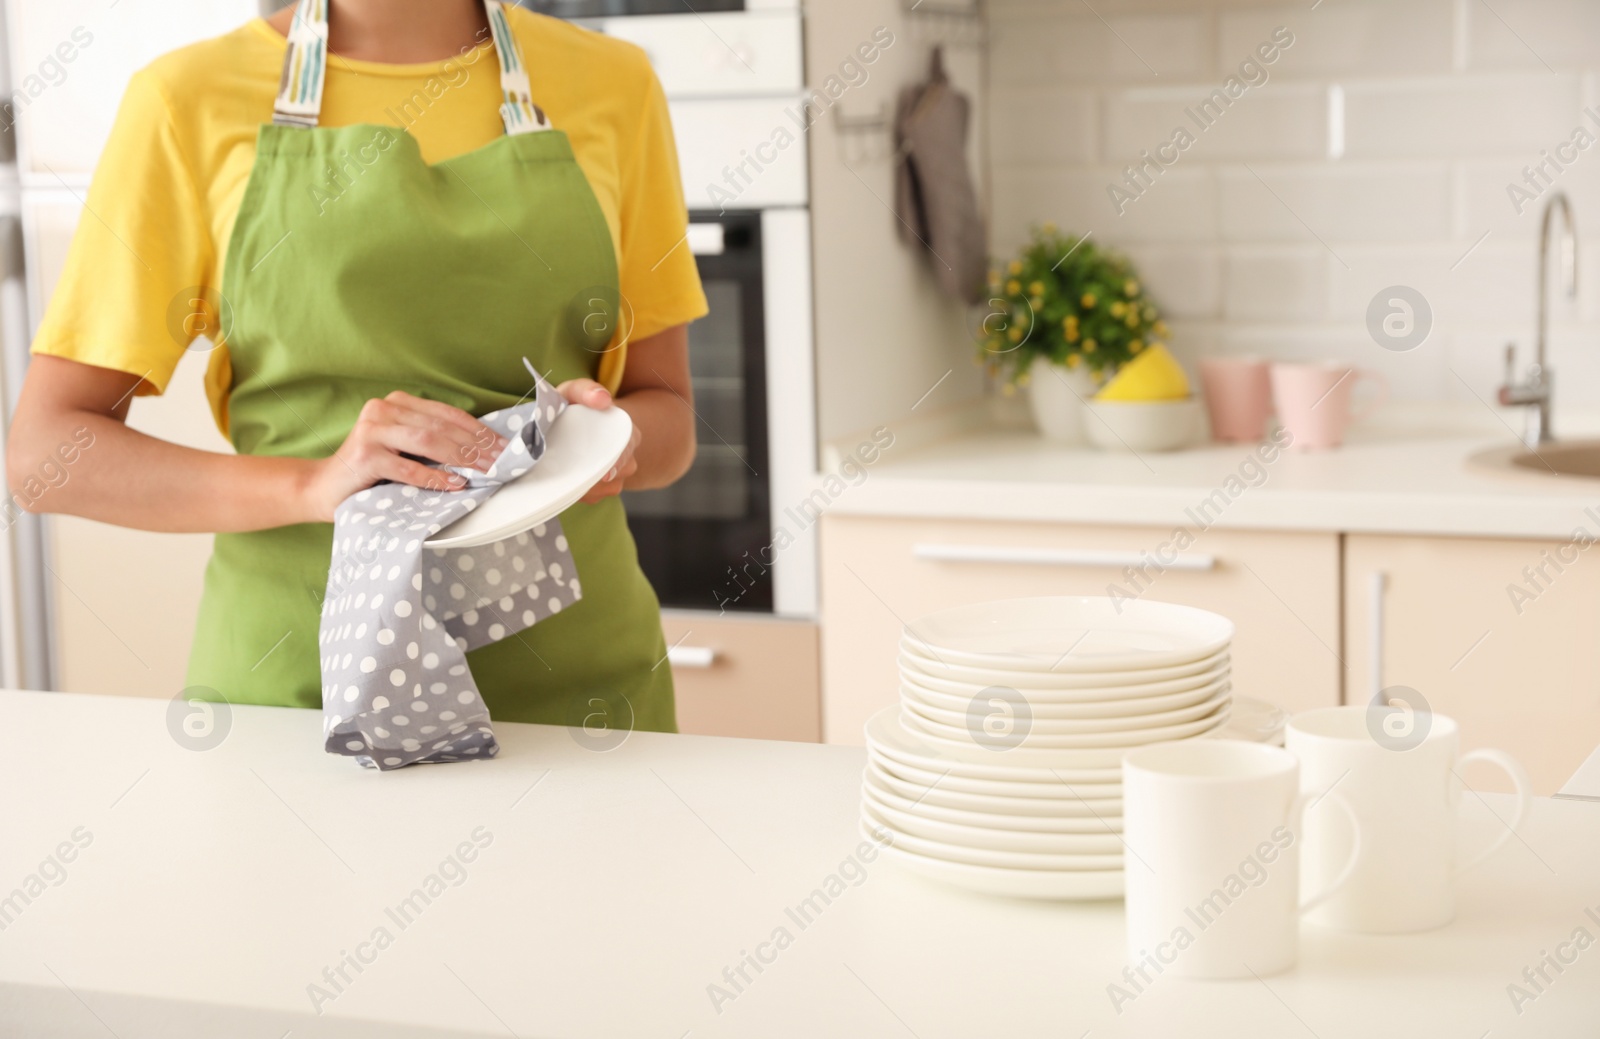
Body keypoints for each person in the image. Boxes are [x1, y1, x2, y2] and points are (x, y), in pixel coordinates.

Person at [5, 0, 706, 734]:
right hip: (301, 701)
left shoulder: (614, 81)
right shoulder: (186, 99)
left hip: (579, 698)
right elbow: (46, 451)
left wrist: (605, 441)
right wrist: (314, 483)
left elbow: (670, 416)